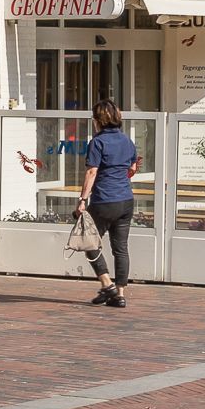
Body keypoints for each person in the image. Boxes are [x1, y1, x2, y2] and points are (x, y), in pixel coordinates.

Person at [80, 98, 140, 309]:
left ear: (99, 120)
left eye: (94, 118)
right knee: (120, 249)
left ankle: (107, 285)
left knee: (89, 242)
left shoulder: (97, 142)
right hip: (126, 200)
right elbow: (132, 168)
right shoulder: (127, 141)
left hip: (104, 200)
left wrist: (82, 199)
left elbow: (91, 171)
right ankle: (119, 295)